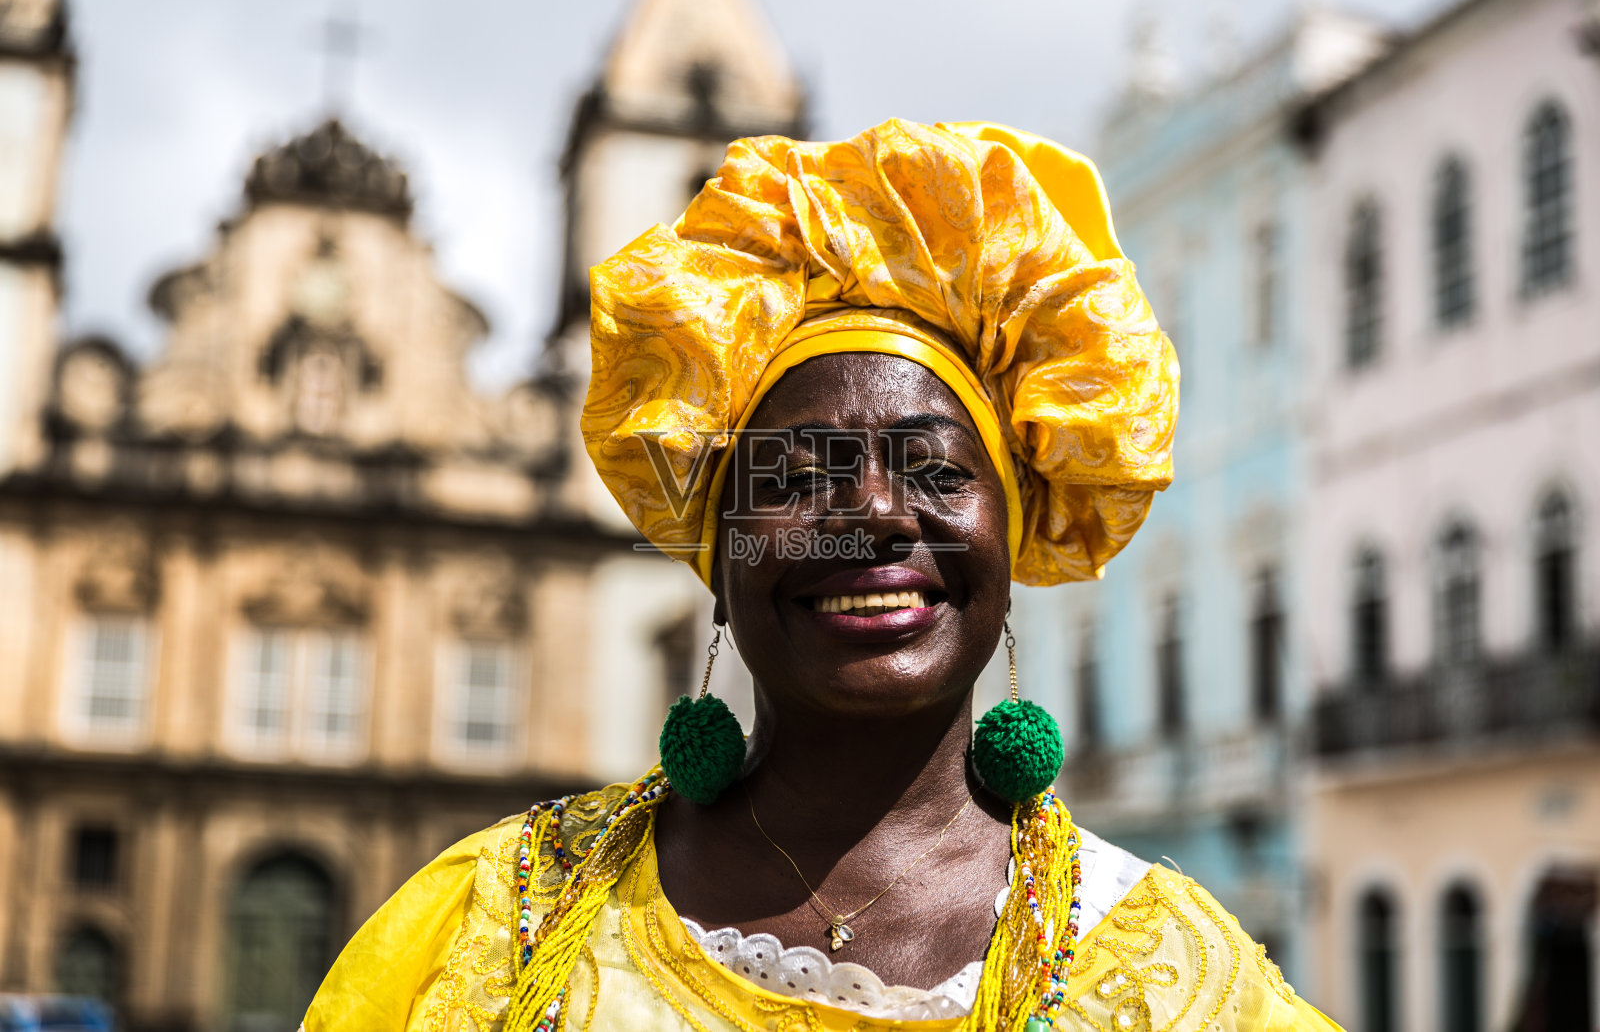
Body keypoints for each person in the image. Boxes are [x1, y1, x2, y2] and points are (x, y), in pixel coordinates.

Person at [302, 119, 1338, 1031]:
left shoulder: (1174, 979)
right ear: (717, 565)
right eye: (797, 475)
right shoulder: (502, 922)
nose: (878, 515)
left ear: (1010, 543)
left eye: (935, 469)